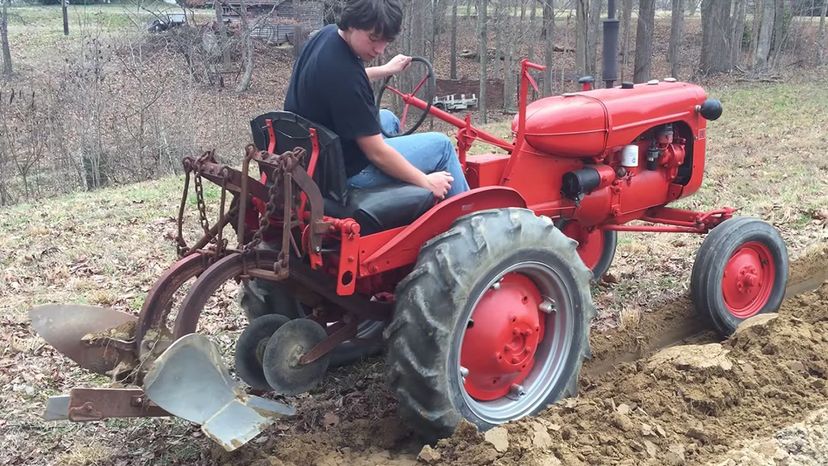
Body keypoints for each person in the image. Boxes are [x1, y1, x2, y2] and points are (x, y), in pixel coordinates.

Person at [284, 0, 469, 199]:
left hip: (319, 153)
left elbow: (345, 79)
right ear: (352, 23)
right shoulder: (347, 78)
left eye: (385, 41)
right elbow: (376, 153)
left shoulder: (326, 36)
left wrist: (386, 70)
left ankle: (411, 203)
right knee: (442, 146)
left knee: (388, 118)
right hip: (348, 173)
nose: (380, 49)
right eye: (373, 38)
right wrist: (426, 181)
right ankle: (472, 219)